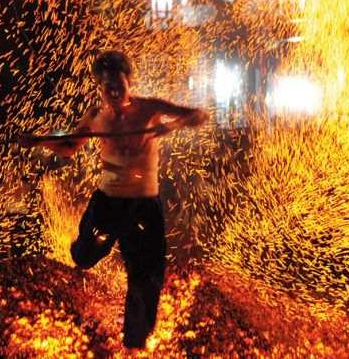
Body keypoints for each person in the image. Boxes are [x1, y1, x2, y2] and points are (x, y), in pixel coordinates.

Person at [20, 50, 208, 352]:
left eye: (120, 84)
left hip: (143, 206)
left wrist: (170, 126)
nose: (115, 91)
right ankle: (84, 249)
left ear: (129, 81)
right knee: (83, 255)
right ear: (100, 87)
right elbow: (69, 146)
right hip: (108, 201)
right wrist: (38, 141)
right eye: (108, 86)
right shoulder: (96, 117)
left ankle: (134, 343)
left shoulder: (149, 109)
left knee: (144, 279)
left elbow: (199, 115)